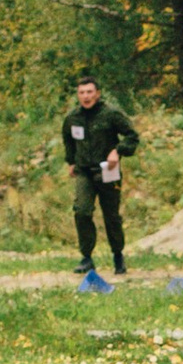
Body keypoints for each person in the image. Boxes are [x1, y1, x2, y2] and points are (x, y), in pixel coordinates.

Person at [61, 73, 139, 285]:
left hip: (107, 170)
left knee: (111, 216)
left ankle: (118, 255)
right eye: (81, 93)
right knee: (82, 210)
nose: (85, 96)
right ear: (78, 95)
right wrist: (71, 161)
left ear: (97, 93)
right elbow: (68, 140)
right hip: (84, 171)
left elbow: (132, 136)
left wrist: (118, 151)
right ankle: (86, 257)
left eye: (89, 92)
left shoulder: (111, 114)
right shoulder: (72, 118)